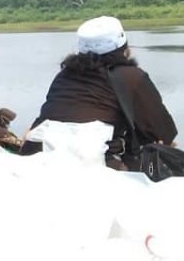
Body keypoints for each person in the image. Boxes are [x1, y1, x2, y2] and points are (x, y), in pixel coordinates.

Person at [20, 16, 177, 168]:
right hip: (92, 166)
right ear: (124, 49)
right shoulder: (131, 76)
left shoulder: (63, 76)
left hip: (35, 157)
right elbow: (163, 133)